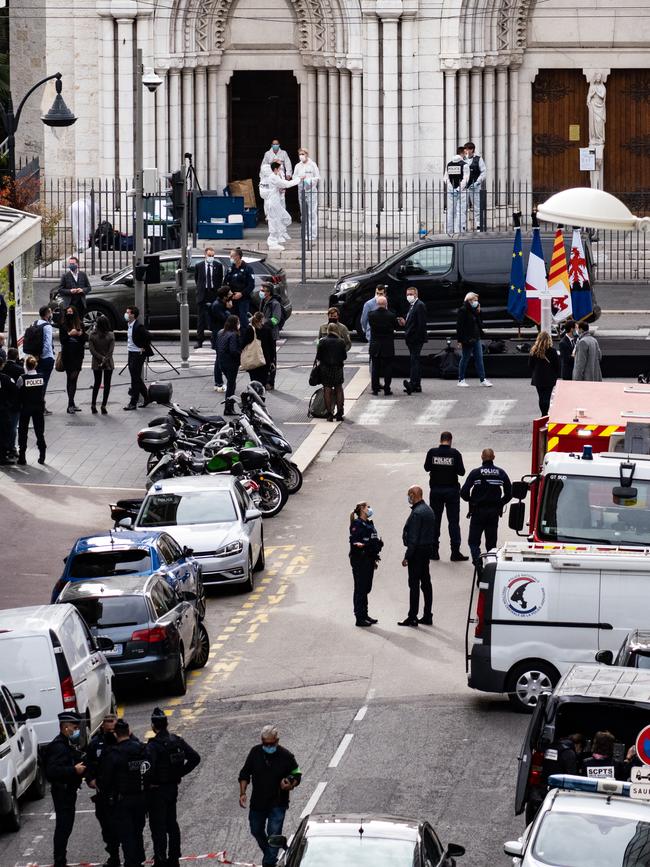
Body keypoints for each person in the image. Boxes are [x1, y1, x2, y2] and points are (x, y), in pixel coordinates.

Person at [238, 724, 301, 867]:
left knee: (273, 836)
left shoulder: (286, 756)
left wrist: (291, 783)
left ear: (277, 741)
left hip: (278, 803)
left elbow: (297, 773)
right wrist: (242, 793)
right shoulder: (254, 752)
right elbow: (244, 773)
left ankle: (269, 862)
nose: (268, 746)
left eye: (271, 744)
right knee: (256, 830)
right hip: (258, 802)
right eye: (265, 744)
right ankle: (271, 853)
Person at [147, 707, 201, 867]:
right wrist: (179, 774)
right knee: (172, 823)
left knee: (159, 827)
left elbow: (149, 768)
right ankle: (174, 856)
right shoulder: (176, 740)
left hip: (157, 791)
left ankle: (161, 859)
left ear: (153, 726)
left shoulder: (153, 746)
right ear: (166, 723)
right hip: (172, 789)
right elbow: (195, 758)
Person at [101, 718, 149, 867]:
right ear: (129, 731)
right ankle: (139, 860)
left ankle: (131, 862)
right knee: (138, 831)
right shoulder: (141, 749)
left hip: (123, 801)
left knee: (127, 834)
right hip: (141, 798)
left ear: (116, 734)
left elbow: (106, 780)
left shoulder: (114, 753)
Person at [44, 710, 86, 867]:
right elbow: (52, 771)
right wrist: (73, 770)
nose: (76, 731)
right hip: (62, 793)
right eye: (74, 728)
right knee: (63, 827)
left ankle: (61, 859)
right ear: (66, 727)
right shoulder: (58, 747)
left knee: (66, 827)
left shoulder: (66, 744)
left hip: (68, 791)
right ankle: (59, 861)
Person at [461, 447, 512, 569]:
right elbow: (509, 493)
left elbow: (463, 492)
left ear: (482, 457)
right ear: (493, 457)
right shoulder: (501, 473)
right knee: (491, 544)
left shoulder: (475, 473)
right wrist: (500, 503)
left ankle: (478, 565)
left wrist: (472, 501)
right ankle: (489, 568)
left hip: (478, 512)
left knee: (473, 542)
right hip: (493, 513)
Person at [424, 431, 469, 561]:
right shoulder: (455, 454)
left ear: (441, 439)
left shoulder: (432, 452)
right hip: (451, 491)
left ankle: (434, 552)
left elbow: (427, 468)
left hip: (436, 491)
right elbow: (461, 472)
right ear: (450, 440)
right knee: (453, 522)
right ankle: (455, 552)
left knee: (435, 521)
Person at [399, 485, 437, 627]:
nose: (408, 498)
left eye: (409, 495)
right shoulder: (429, 510)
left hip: (417, 553)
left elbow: (413, 538)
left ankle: (412, 617)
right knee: (426, 583)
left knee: (414, 585)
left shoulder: (417, 513)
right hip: (427, 551)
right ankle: (427, 615)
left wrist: (407, 557)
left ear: (413, 495)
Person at [85, 713, 120, 867]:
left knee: (126, 827)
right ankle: (114, 856)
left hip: (122, 792)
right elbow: (89, 763)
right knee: (107, 827)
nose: (110, 727)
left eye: (113, 725)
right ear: (103, 726)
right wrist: (90, 779)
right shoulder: (95, 743)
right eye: (107, 724)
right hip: (103, 793)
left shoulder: (125, 739)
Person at [349, 501, 383, 627]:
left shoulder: (368, 523)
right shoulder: (357, 525)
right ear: (362, 509)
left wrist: (375, 554)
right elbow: (356, 543)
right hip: (360, 561)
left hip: (369, 560)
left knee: (366, 588)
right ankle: (359, 617)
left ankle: (365, 614)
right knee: (360, 589)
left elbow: (371, 541)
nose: (370, 509)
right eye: (368, 507)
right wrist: (368, 546)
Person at [16, 354, 47, 465]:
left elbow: (17, 389)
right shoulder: (41, 377)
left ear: (26, 365)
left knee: (23, 431)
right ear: (35, 365)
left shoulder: (22, 378)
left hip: (25, 408)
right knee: (39, 432)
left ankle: (22, 456)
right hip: (38, 407)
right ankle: (42, 455)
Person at [456, 292, 492, 387]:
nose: (477, 302)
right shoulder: (463, 310)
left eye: (477, 300)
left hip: (476, 337)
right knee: (465, 358)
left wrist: (479, 313)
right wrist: (460, 340)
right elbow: (459, 327)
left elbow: (480, 323)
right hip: (467, 339)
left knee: (479, 359)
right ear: (469, 300)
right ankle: (461, 379)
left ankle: (482, 379)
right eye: (475, 300)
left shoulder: (475, 310)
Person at [264, 162, 300, 252]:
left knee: (285, 218)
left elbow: (280, 186)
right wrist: (299, 179)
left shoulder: (274, 177)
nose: (280, 170)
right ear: (275, 169)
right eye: (279, 168)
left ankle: (277, 238)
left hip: (276, 202)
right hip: (272, 202)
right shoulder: (273, 177)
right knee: (274, 221)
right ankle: (272, 242)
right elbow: (286, 184)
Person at [123, 306, 153, 411]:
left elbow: (149, 336)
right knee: (135, 377)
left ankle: (133, 402)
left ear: (133, 315)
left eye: (128, 312)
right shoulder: (129, 325)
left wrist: (143, 347)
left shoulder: (138, 326)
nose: (126, 314)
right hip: (131, 352)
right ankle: (147, 397)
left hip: (137, 354)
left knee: (135, 379)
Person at [315, 323, 347, 421]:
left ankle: (329, 414)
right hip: (337, 369)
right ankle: (339, 413)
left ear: (328, 330)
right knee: (339, 389)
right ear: (337, 330)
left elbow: (318, 356)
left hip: (325, 369)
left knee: (327, 390)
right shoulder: (341, 342)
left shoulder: (322, 341)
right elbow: (344, 356)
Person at [399, 286, 428, 394]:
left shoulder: (419, 305)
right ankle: (416, 384)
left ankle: (413, 383)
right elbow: (412, 322)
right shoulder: (412, 306)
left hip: (416, 339)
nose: (409, 296)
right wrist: (405, 323)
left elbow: (421, 324)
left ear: (416, 294)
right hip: (412, 338)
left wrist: (415, 338)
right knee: (414, 361)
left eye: (411, 294)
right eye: (407, 294)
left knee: (414, 361)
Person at [59, 306, 88, 414]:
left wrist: (80, 334)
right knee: (70, 378)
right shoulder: (63, 325)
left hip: (78, 355)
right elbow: (62, 340)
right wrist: (69, 334)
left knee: (74, 378)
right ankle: (70, 404)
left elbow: (85, 339)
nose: (69, 313)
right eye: (68, 312)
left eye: (71, 312)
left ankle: (72, 403)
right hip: (67, 355)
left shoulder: (80, 324)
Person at [194, 246, 224, 349]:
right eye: (209, 255)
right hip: (203, 293)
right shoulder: (199, 266)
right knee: (201, 319)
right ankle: (199, 341)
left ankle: (214, 341)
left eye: (213, 256)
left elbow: (220, 280)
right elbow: (196, 279)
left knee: (214, 318)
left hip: (213, 293)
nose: (211, 257)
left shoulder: (218, 266)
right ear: (205, 255)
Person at [368, 295, 397, 396]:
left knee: (375, 368)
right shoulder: (391, 315)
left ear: (377, 304)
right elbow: (395, 326)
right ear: (386, 304)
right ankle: (387, 389)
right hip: (387, 345)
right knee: (388, 368)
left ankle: (375, 389)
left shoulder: (371, 315)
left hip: (375, 345)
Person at [223, 247, 255, 331]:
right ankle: (234, 338)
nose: (230, 258)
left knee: (243, 319)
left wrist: (241, 294)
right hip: (232, 298)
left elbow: (251, 285)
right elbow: (225, 283)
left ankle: (244, 338)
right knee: (232, 320)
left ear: (238, 256)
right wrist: (228, 297)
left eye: (232, 256)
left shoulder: (248, 269)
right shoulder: (230, 269)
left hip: (243, 299)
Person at [89, 314, 115, 414]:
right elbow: (111, 351)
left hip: (96, 362)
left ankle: (93, 405)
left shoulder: (92, 335)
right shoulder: (111, 335)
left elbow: (92, 350)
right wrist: (105, 359)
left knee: (97, 383)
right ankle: (103, 406)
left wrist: (100, 359)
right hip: (108, 362)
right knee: (107, 384)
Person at [529, 331, 559, 416]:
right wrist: (555, 375)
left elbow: (530, 364)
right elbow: (557, 365)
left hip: (538, 377)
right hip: (549, 378)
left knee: (541, 397)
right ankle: (545, 414)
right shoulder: (552, 351)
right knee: (547, 397)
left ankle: (543, 414)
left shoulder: (534, 350)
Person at [293, 147, 320, 240]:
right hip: (301, 191)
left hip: (311, 191)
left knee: (311, 213)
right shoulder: (297, 166)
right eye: (300, 154)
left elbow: (317, 177)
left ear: (307, 154)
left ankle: (312, 234)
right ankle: (305, 233)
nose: (301, 156)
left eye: (303, 154)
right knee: (303, 213)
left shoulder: (312, 165)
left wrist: (308, 181)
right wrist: (299, 178)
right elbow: (294, 177)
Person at [216, 315, 241, 415]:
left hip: (222, 362)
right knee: (231, 385)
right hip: (231, 363)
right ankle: (228, 408)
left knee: (231, 383)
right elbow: (233, 350)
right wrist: (241, 354)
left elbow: (217, 346)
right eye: (238, 322)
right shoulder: (233, 335)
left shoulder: (221, 332)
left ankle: (229, 407)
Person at [260, 282, 283, 389]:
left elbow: (276, 319)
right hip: (263, 334)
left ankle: (270, 382)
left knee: (271, 358)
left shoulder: (275, 304)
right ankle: (263, 379)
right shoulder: (263, 302)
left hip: (271, 335)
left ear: (268, 292)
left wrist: (264, 322)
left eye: (263, 290)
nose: (261, 292)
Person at [242, 312, 275, 386]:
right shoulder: (267, 329)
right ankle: (260, 395)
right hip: (264, 359)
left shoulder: (250, 329)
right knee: (263, 381)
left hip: (252, 359)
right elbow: (271, 346)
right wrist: (272, 360)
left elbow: (243, 343)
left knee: (253, 381)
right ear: (262, 319)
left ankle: (253, 395)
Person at [444, 147, 469, 234]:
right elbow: (466, 179)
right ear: (462, 153)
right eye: (465, 153)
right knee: (461, 212)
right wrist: (458, 189)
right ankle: (460, 231)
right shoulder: (464, 165)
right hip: (461, 192)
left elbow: (446, 178)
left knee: (450, 211)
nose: (466, 155)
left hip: (451, 191)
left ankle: (448, 231)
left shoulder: (449, 164)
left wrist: (451, 188)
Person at [36, 304, 56, 407]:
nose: (51, 313)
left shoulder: (36, 323)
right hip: (46, 358)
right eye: (50, 312)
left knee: (37, 382)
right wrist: (43, 355)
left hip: (37, 358)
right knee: (44, 383)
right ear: (47, 314)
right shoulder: (47, 326)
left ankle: (37, 404)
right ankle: (41, 406)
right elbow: (48, 344)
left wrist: (37, 355)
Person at [463, 142, 487, 232]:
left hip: (475, 187)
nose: (466, 151)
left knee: (477, 206)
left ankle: (479, 225)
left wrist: (477, 182)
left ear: (471, 149)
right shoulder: (462, 159)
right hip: (464, 187)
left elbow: (484, 172)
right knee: (463, 207)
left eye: (467, 149)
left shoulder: (478, 159)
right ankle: (463, 226)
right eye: (465, 149)